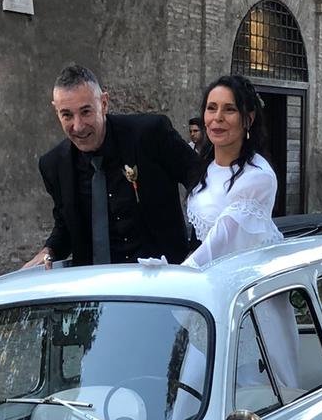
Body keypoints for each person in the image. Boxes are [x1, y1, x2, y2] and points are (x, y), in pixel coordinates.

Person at [184, 75, 299, 386]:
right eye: (211, 108)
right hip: (210, 298)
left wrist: (177, 280)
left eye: (229, 110)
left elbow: (223, 238)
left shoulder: (258, 176)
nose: (217, 118)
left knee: (247, 397)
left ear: (248, 118)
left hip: (249, 305)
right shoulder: (204, 168)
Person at [26, 64, 200, 268]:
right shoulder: (53, 165)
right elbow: (66, 226)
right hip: (98, 291)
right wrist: (49, 251)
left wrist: (197, 249)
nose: (78, 126)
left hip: (162, 283)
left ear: (104, 103)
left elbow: (201, 181)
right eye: (67, 115)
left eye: (86, 112)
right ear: (56, 112)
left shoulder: (151, 135)